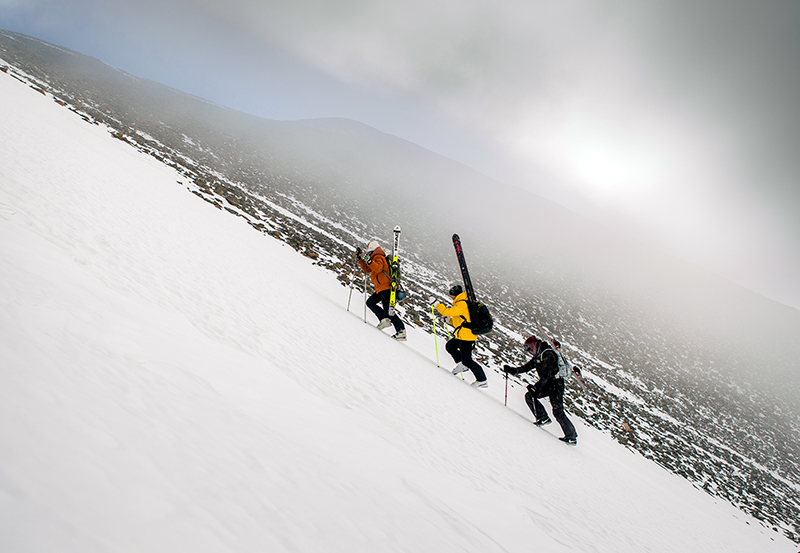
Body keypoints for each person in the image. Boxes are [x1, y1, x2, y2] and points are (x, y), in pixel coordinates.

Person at [503, 335, 578, 445]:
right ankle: (542, 417)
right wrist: (512, 370)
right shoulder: (539, 356)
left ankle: (571, 437)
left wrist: (535, 388)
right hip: (548, 384)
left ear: (533, 346)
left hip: (556, 385)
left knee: (558, 412)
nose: (529, 352)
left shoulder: (548, 355)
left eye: (529, 349)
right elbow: (526, 367)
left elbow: (546, 376)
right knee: (530, 396)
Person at [429, 284, 488, 388]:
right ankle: (462, 364)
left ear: (455, 295)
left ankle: (482, 379)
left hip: (467, 337)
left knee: (468, 360)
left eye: (451, 295)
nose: (451, 297)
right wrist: (449, 320)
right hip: (462, 335)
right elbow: (460, 321)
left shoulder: (462, 304)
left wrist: (436, 303)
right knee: (450, 346)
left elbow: (446, 311)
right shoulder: (462, 303)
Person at [357, 239, 406, 341]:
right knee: (371, 302)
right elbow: (368, 269)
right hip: (381, 288)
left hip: (386, 287)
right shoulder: (374, 257)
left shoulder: (379, 256)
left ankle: (401, 331)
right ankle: (384, 320)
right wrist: (361, 259)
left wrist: (367, 259)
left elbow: (378, 268)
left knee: (388, 310)